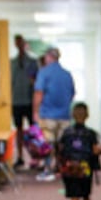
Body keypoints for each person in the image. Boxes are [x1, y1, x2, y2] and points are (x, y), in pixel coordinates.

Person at [57, 101, 101, 200]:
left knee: (74, 195)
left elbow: (60, 149)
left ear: (72, 115)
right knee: (86, 195)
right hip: (85, 168)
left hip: (70, 168)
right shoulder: (90, 134)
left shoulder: (66, 133)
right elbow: (95, 150)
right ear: (87, 116)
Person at [33, 46, 76, 180]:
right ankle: (61, 168)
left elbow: (39, 93)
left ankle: (47, 169)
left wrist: (35, 112)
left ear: (50, 57)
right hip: (64, 115)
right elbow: (72, 93)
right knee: (62, 144)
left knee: (48, 144)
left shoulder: (43, 73)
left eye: (45, 56)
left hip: (48, 115)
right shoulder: (67, 74)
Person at [10, 35, 39, 168]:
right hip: (16, 101)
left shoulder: (33, 62)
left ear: (24, 44)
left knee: (33, 130)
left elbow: (37, 82)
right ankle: (20, 157)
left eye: (21, 43)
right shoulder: (12, 62)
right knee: (19, 130)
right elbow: (10, 83)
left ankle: (35, 157)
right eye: (17, 43)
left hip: (29, 101)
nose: (19, 45)